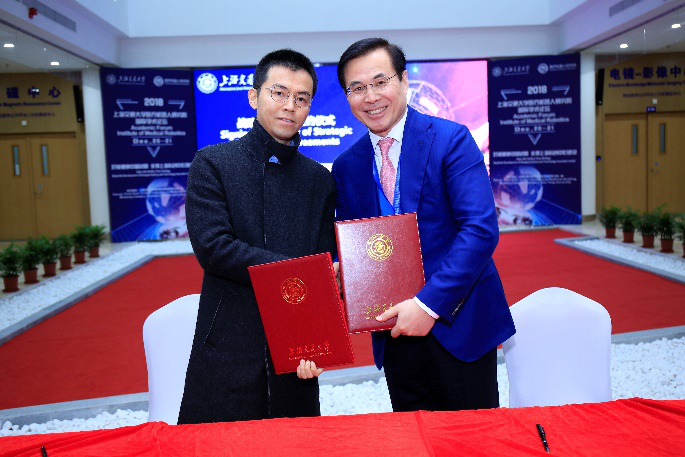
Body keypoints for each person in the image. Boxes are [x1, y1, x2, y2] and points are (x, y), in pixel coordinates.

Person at [332, 38, 515, 412]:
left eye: (380, 82)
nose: (371, 96)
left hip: (459, 326)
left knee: (473, 437)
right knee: (414, 436)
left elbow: (480, 229)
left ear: (403, 81)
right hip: (393, 333)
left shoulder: (451, 139)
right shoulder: (347, 165)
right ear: (347, 96)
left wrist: (428, 305)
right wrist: (341, 270)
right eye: (357, 88)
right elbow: (353, 243)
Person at [178, 49, 332, 424]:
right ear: (254, 96)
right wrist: (297, 269)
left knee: (294, 443)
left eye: (301, 98)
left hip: (294, 348)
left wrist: (319, 342)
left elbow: (323, 268)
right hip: (229, 339)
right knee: (220, 444)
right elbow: (214, 249)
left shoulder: (319, 180)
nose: (289, 106)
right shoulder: (213, 163)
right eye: (279, 93)